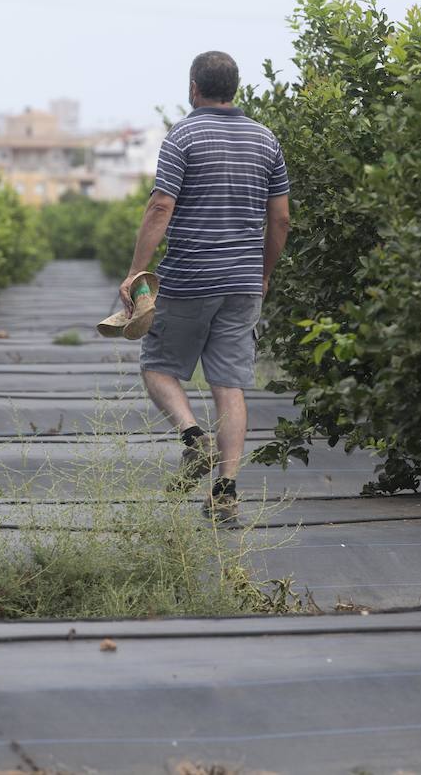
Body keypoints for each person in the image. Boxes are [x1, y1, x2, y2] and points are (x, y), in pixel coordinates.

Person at [118, 50, 291, 523]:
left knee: (156, 365)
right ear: (234, 88)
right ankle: (226, 494)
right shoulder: (266, 139)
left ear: (193, 87)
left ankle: (194, 440)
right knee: (229, 386)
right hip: (242, 283)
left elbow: (160, 208)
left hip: (191, 277)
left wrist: (137, 273)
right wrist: (264, 273)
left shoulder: (184, 135)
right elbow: (281, 218)